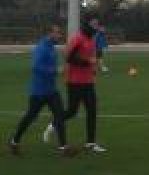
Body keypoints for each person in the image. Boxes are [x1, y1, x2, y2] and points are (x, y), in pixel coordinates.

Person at [8, 24, 75, 156]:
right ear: (49, 34)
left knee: (60, 115)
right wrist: (55, 70)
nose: (59, 35)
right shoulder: (42, 48)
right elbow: (36, 67)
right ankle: (14, 141)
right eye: (57, 33)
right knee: (30, 117)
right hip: (38, 91)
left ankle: (63, 147)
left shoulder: (51, 47)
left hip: (51, 91)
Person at [44, 18, 106, 153]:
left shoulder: (91, 39)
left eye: (97, 24)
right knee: (72, 111)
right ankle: (54, 124)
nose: (96, 27)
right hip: (74, 82)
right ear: (87, 24)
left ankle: (90, 143)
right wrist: (88, 62)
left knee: (92, 110)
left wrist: (93, 67)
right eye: (94, 24)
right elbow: (68, 57)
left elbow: (92, 56)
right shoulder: (78, 38)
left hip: (88, 81)